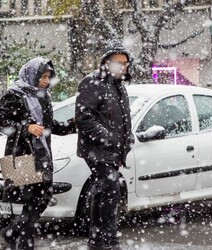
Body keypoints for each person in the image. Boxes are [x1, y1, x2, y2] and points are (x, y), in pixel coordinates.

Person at [0, 57, 75, 250]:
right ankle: (25, 243)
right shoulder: (14, 95)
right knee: (31, 202)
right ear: (31, 75)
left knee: (44, 198)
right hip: (21, 155)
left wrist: (71, 125)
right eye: (43, 76)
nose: (46, 81)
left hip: (41, 156)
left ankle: (12, 231)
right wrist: (26, 128)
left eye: (49, 76)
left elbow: (47, 126)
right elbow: (0, 123)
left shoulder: (43, 96)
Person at [75, 40, 134, 250]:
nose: (123, 66)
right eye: (118, 62)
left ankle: (96, 240)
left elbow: (123, 118)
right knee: (112, 190)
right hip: (97, 149)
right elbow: (83, 117)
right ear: (106, 62)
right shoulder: (92, 82)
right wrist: (107, 137)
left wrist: (128, 137)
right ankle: (109, 240)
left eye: (125, 62)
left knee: (104, 191)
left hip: (113, 150)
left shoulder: (118, 86)